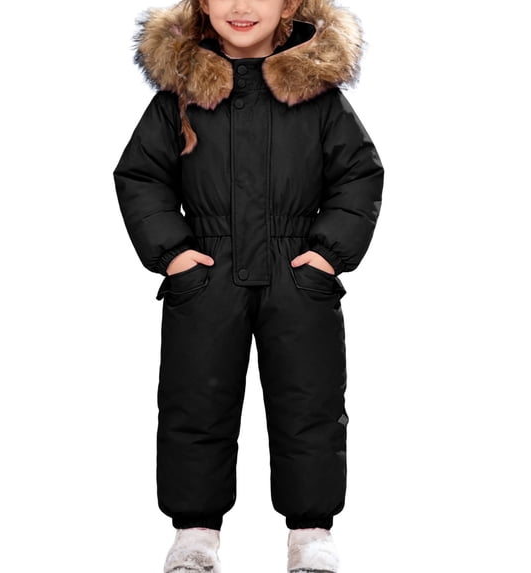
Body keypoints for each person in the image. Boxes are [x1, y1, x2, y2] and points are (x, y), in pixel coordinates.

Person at [113, 0, 384, 570]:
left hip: (297, 273)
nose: (240, 7)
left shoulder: (318, 96)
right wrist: (174, 253)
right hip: (207, 273)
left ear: (289, 5)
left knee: (309, 401)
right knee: (195, 399)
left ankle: (310, 532)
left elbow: (358, 173)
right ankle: (195, 533)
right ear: (202, 4)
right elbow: (142, 173)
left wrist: (327, 254)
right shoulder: (179, 96)